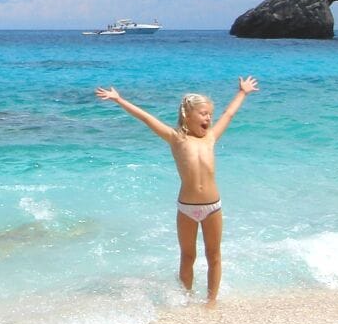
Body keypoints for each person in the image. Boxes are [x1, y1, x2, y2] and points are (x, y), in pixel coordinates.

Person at [95, 76, 259, 307]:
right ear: (187, 115)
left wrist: (242, 93)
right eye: (203, 114)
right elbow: (146, 118)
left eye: (210, 114)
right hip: (187, 208)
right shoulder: (176, 138)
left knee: (214, 255)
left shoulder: (211, 137)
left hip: (213, 207)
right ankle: (186, 298)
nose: (208, 118)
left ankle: (211, 301)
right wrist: (119, 99)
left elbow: (229, 115)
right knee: (188, 256)